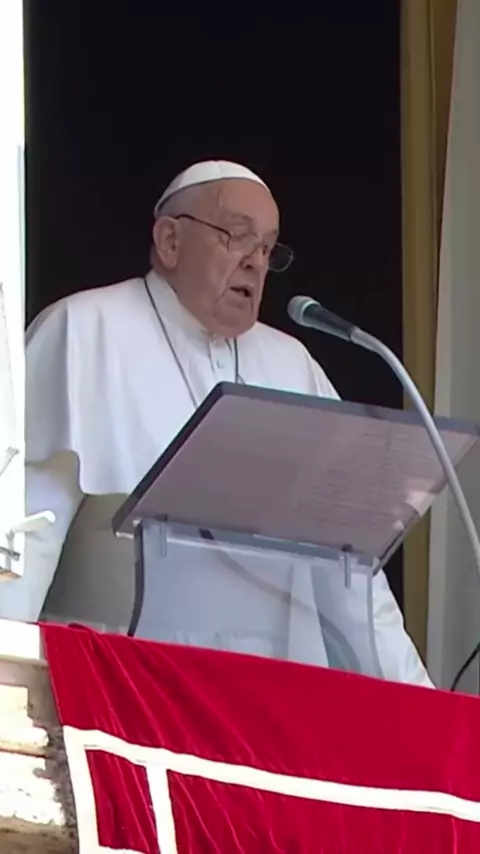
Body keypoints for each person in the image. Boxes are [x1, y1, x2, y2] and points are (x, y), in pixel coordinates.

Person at [0, 160, 433, 687]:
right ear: (170, 241)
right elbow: (26, 533)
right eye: (238, 237)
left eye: (268, 248)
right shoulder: (84, 330)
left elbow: (348, 570)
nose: (256, 261)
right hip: (122, 690)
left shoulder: (293, 366)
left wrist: (422, 699)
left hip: (271, 698)